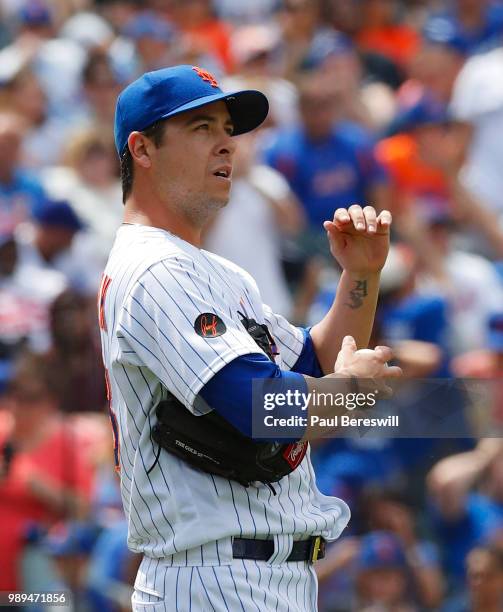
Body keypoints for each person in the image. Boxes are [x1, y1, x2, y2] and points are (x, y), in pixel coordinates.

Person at [99, 64, 400, 610]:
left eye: (226, 129)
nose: (226, 145)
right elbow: (266, 408)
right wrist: (351, 392)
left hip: (262, 576)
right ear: (142, 150)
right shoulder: (155, 269)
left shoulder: (215, 271)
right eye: (200, 128)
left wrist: (360, 277)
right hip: (212, 575)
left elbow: (313, 362)